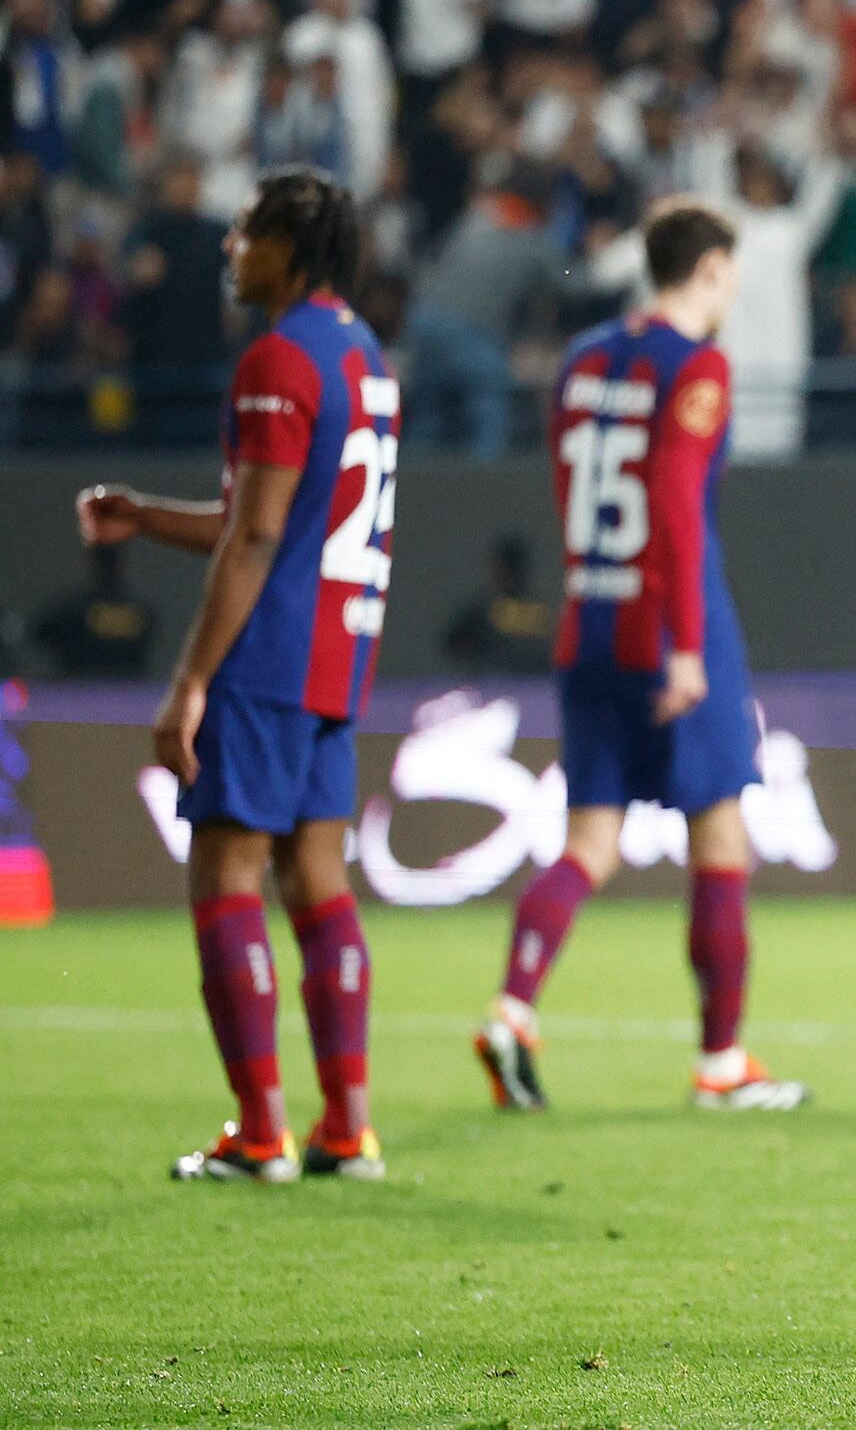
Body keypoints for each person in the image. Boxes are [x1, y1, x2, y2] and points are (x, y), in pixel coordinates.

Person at [72, 168, 396, 1182]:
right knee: (317, 878)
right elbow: (266, 520)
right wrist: (144, 512)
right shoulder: (361, 353)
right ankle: (347, 1128)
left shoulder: (276, 356)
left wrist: (190, 681)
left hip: (266, 653)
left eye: (246, 232)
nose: (229, 248)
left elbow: (257, 537)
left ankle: (262, 1134)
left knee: (226, 874)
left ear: (289, 248)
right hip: (339, 650)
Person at [472, 200, 806, 1115]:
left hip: (588, 618)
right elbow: (675, 508)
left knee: (587, 845)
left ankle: (512, 1012)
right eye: (730, 271)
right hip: (669, 628)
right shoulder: (696, 367)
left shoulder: (582, 358)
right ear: (707, 271)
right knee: (721, 837)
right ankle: (722, 1063)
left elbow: (565, 471)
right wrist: (689, 648)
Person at [30, 542, 157, 678]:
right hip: (128, 691)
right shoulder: (142, 609)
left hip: (77, 690)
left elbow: (39, 633)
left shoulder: (71, 608)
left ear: (91, 564)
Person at [440, 535, 556, 676]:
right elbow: (453, 642)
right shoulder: (537, 608)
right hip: (499, 682)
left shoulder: (486, 606)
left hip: (521, 684)